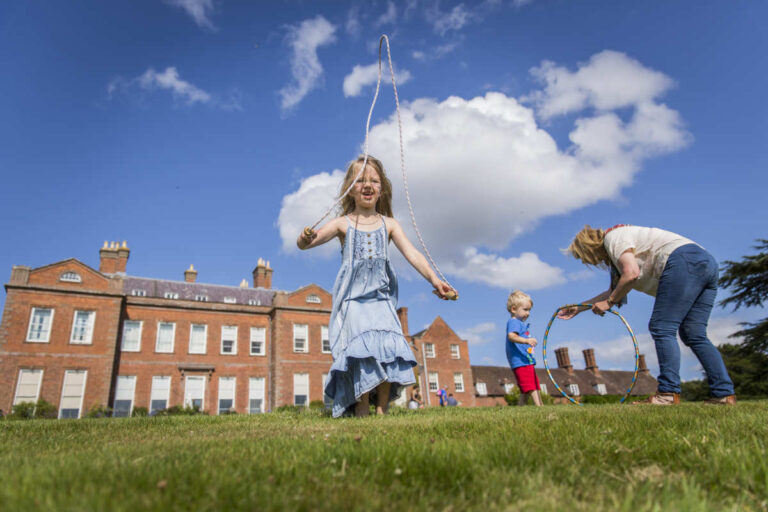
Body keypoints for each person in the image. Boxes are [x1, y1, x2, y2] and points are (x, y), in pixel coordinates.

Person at [298, 155, 455, 418]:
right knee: (361, 354)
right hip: (353, 301)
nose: (367, 185)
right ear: (350, 187)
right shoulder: (342, 223)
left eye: (374, 180)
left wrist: (435, 280)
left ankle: (381, 410)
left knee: (387, 349)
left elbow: (413, 255)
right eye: (360, 180)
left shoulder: (389, 224)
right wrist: (305, 238)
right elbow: (307, 243)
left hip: (380, 299)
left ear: (382, 188)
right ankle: (360, 408)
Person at [559, 225, 736, 405]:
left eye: (584, 258)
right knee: (694, 334)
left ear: (588, 248)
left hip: (684, 262)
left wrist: (609, 302)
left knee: (662, 327)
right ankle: (723, 394)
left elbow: (631, 274)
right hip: (705, 264)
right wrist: (579, 308)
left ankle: (667, 393)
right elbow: (614, 290)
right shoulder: (617, 257)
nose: (589, 262)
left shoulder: (612, 238)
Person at [505, 290, 543, 406]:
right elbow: (511, 336)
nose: (528, 313)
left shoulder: (520, 323)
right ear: (513, 309)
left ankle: (521, 408)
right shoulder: (514, 322)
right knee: (531, 386)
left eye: (529, 310)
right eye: (525, 310)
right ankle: (540, 406)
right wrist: (527, 340)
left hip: (525, 360)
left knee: (528, 387)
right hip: (520, 361)